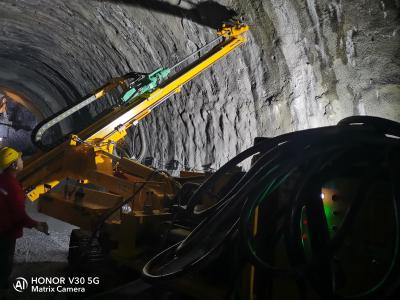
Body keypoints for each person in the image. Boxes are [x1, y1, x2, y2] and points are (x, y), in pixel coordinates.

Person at [0, 147, 49, 289]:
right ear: (14, 165)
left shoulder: (2, 180)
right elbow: (19, 216)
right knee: (4, 264)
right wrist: (36, 224)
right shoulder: (13, 187)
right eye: (20, 159)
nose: (23, 161)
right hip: (6, 232)